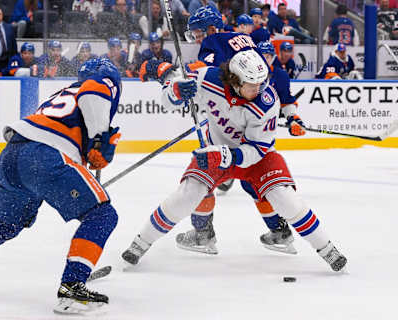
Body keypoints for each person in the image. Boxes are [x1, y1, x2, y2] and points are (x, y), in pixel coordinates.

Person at [122, 50, 348, 273]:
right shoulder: (208, 78)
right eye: (252, 85)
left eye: (261, 83)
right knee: (188, 193)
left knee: (284, 198)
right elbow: (169, 101)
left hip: (257, 158)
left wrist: (229, 156)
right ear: (234, 80)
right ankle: (141, 243)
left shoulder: (267, 102)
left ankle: (326, 248)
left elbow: (258, 149)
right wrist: (176, 91)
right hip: (215, 152)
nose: (258, 89)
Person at [0, 57, 122, 314]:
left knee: (5, 223)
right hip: (46, 157)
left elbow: (76, 141)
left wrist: (93, 152)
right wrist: (100, 138)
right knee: (102, 215)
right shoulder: (100, 82)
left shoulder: (61, 94)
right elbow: (95, 90)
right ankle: (73, 288)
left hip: (12, 155)